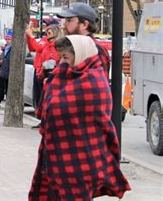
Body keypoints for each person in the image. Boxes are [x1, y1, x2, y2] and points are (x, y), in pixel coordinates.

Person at [29, 35, 131, 200]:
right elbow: (44, 110)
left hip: (80, 157)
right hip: (56, 154)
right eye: (61, 57)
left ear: (80, 55)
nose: (62, 62)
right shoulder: (64, 76)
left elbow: (58, 110)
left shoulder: (93, 80)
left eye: (66, 57)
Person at [57, 2, 110, 78]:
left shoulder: (95, 50)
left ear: (85, 24)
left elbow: (99, 86)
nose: (64, 25)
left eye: (69, 20)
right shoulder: (73, 47)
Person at [25, 23, 63, 111]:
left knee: (44, 97)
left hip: (46, 73)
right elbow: (33, 48)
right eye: (46, 33)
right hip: (40, 71)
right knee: (39, 96)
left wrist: (31, 35)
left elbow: (39, 49)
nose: (46, 36)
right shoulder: (46, 43)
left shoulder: (53, 45)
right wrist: (29, 36)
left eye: (49, 33)